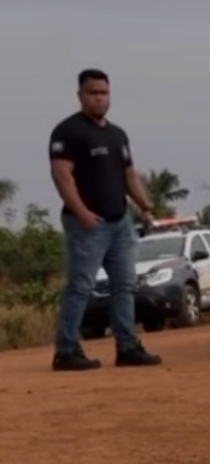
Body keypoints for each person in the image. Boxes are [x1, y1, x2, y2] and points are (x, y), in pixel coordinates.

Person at [48, 68, 163, 370]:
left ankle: (127, 347)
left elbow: (128, 175)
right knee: (81, 286)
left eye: (103, 93)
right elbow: (62, 176)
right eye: (93, 93)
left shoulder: (117, 135)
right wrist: (82, 212)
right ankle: (66, 350)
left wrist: (146, 206)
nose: (99, 98)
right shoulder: (68, 132)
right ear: (80, 95)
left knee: (125, 285)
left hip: (120, 222)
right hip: (87, 224)